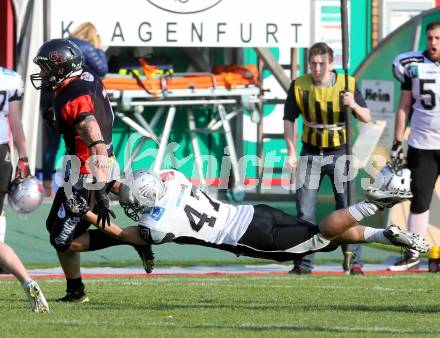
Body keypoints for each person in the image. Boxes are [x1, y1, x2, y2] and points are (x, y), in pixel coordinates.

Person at [63, 168, 427, 267]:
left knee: (322, 235)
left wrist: (90, 212)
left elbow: (124, 234)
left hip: (251, 240)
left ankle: (375, 203)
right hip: (255, 214)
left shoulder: (157, 226)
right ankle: (384, 234)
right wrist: (106, 183)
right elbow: (139, 188)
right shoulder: (173, 179)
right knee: (321, 235)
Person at [30, 38, 153, 303]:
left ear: (61, 68)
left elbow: (95, 140)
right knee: (54, 226)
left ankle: (133, 239)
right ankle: (75, 291)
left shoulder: (72, 97)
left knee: (63, 240)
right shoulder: (86, 78)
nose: (42, 74)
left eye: (46, 67)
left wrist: (99, 189)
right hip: (91, 166)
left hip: (87, 174)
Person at [283, 42, 372, 275]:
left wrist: (352, 104)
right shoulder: (299, 86)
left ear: (331, 64)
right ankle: (303, 263)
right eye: (313, 63)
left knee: (348, 210)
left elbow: (366, 117)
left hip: (340, 153)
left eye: (322, 63)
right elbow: (288, 119)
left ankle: (354, 262)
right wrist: (291, 151)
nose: (317, 68)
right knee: (304, 212)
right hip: (310, 152)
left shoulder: (347, 84)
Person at [389, 21, 440, 271]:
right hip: (422, 143)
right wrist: (398, 141)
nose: (433, 43)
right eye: (430, 38)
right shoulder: (412, 65)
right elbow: (404, 106)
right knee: (420, 200)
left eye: (438, 38)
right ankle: (413, 252)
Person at [0, 66, 49, 312]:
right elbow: (15, 122)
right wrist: (24, 157)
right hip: (2, 155)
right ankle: (28, 281)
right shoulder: (9, 78)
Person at [41, 22, 109, 197]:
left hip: (51, 98)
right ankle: (82, 185)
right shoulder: (85, 47)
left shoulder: (63, 44)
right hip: (71, 99)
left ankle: (47, 185)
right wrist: (99, 48)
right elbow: (102, 68)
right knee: (76, 142)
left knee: (52, 146)